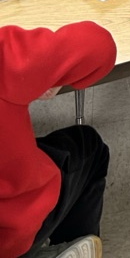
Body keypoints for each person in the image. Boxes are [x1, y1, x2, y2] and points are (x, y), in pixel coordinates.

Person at [0, 21, 117, 258]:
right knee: (88, 145)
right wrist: (51, 78)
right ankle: (65, 248)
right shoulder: (6, 55)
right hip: (11, 234)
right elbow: (98, 46)